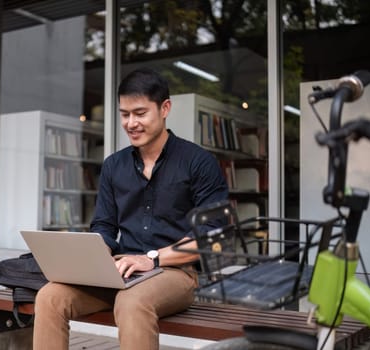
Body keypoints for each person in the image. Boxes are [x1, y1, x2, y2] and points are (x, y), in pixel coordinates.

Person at [33, 67, 229, 349]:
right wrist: (94, 254)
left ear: (165, 108)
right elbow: (104, 225)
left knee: (132, 301)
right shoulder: (114, 165)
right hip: (121, 269)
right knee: (50, 297)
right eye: (124, 114)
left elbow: (213, 235)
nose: (131, 123)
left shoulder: (199, 162)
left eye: (140, 113)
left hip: (176, 273)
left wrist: (153, 258)